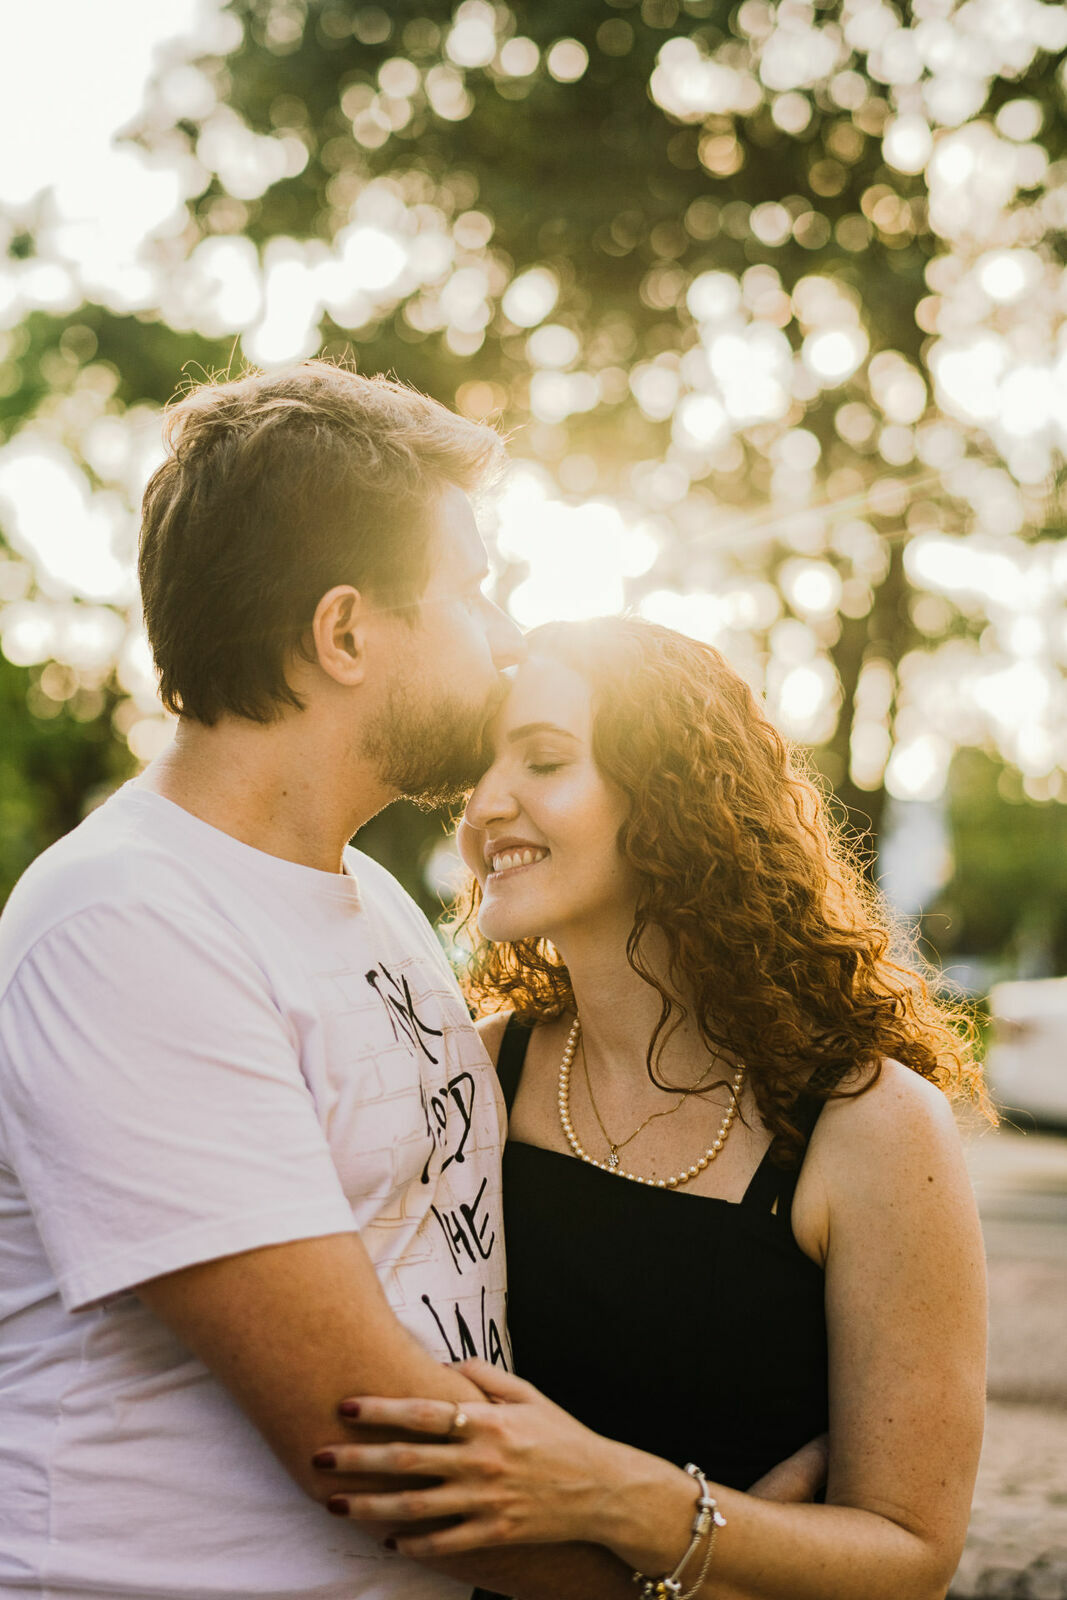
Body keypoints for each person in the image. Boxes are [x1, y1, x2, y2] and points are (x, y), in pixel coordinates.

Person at [0, 365, 659, 1600]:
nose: (503, 637)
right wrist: (706, 1566)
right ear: (344, 633)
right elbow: (366, 1442)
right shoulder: (126, 921)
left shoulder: (370, 896)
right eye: (469, 591)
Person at [313, 615, 992, 1600]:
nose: (484, 807)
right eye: (479, 772)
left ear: (674, 796)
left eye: (544, 759)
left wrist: (612, 1494)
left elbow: (910, 1556)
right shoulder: (477, 1072)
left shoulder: (871, 1128)